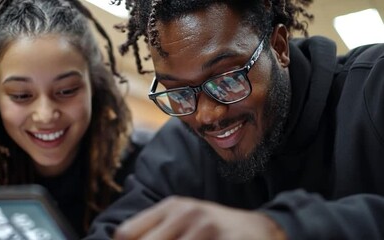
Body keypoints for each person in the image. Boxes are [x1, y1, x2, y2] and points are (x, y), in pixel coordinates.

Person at [85, 0, 384, 239]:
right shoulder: (178, 149)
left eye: (227, 79)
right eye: (177, 91)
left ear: (279, 47)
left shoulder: (374, 88)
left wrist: (279, 229)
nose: (206, 115)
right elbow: (117, 227)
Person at [0, 0, 149, 237]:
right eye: (21, 95)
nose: (45, 115)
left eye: (66, 90)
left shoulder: (142, 170)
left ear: (93, 86)